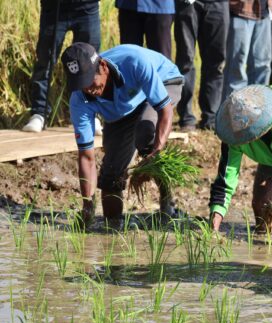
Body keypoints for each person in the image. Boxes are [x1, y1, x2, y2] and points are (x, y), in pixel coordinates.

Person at [61, 43, 184, 228]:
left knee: (146, 134)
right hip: (124, 109)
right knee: (110, 176)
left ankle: (168, 205)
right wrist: (87, 205)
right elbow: (87, 157)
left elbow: (164, 112)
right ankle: (113, 226)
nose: (88, 90)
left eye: (90, 81)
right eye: (81, 84)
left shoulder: (134, 62)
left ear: (102, 66)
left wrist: (154, 156)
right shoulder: (79, 99)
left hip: (164, 81)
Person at [209, 84, 272, 232]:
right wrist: (215, 219)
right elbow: (225, 179)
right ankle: (270, 248)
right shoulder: (233, 133)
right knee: (263, 208)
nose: (249, 141)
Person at [23, 0, 101, 133]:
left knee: (90, 63)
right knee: (45, 61)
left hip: (87, 7)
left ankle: (89, 113)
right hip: (54, 8)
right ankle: (39, 113)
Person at [174, 0, 229, 131]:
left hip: (218, 4)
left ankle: (211, 117)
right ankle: (186, 117)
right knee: (185, 59)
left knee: (217, 63)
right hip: (188, 3)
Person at [224, 0, 272, 99]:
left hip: (263, 13)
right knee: (236, 68)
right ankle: (232, 112)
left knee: (263, 67)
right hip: (240, 11)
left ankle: (259, 110)